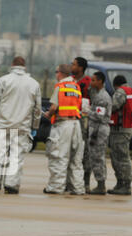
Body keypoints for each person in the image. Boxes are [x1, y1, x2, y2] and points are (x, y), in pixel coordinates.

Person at [0, 56, 41, 194]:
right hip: (22, 126)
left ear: (12, 65)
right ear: (25, 67)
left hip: (2, 124)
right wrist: (35, 126)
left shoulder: (3, 80)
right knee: (16, 156)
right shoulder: (34, 84)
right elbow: (37, 109)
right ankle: (12, 184)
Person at [43, 64, 84, 195]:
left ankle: (56, 187)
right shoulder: (76, 86)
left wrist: (48, 114)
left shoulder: (60, 86)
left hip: (63, 124)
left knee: (59, 156)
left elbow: (54, 107)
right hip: (76, 125)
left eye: (56, 72)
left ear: (60, 73)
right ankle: (77, 188)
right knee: (76, 160)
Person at [108, 75, 132, 195]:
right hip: (128, 127)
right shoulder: (131, 92)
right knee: (120, 157)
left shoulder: (120, 92)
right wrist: (130, 112)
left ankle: (125, 185)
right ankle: (121, 184)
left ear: (116, 85)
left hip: (120, 129)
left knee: (120, 158)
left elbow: (113, 106)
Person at [83, 71, 112, 195]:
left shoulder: (102, 97)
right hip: (97, 128)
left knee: (97, 157)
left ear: (100, 81)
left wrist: (87, 112)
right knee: (95, 156)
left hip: (98, 129)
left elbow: (99, 116)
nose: (91, 82)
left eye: (94, 80)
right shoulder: (98, 94)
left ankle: (101, 185)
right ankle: (100, 184)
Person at [71, 57, 92, 192]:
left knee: (85, 153)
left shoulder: (88, 83)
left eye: (73, 64)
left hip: (84, 122)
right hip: (70, 121)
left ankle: (85, 182)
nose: (71, 66)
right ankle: (71, 181)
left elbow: (92, 103)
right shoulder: (69, 82)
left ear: (80, 67)